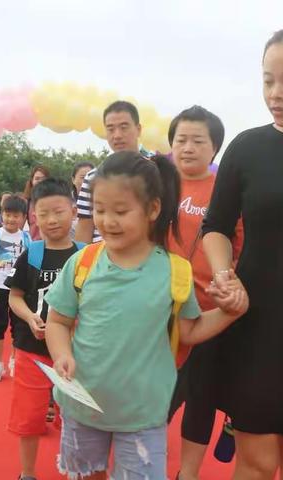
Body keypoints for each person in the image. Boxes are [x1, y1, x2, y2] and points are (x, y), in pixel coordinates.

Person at [44, 152, 249, 480]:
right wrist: (62, 354)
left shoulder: (174, 271)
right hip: (82, 407)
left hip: (144, 415)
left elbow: (190, 331)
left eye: (121, 211)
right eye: (99, 210)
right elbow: (58, 321)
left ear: (153, 209)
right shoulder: (83, 263)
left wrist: (229, 313)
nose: (107, 221)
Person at [202, 30, 283, 480]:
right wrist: (223, 273)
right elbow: (215, 226)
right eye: (268, 80)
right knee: (256, 462)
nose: (275, 94)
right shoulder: (248, 148)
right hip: (258, 325)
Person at [166, 106, 243, 480]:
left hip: (210, 313)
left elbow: (240, 243)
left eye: (199, 141)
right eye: (181, 139)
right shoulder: (156, 186)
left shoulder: (226, 190)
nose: (189, 147)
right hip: (159, 313)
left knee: (200, 400)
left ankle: (188, 474)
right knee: (157, 396)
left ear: (215, 148)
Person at [5, 178, 80, 480]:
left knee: (73, 417)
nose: (51, 220)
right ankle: (27, 473)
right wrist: (30, 318)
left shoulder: (85, 255)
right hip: (31, 350)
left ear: (74, 211)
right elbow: (15, 296)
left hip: (74, 354)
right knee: (29, 416)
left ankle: (72, 468)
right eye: (43, 213)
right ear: (34, 216)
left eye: (59, 212)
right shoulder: (32, 253)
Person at [74, 100, 152, 244]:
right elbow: (85, 226)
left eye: (124, 127)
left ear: (138, 129)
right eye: (110, 129)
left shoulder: (155, 173)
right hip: (103, 260)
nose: (117, 135)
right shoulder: (92, 177)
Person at [0, 195, 30, 382]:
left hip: (18, 289)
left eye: (16, 216)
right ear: (2, 215)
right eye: (7, 214)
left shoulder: (27, 238)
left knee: (18, 326)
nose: (11, 219)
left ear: (24, 217)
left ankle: (14, 360)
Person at [23, 166, 50, 240]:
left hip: (53, 242)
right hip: (34, 243)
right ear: (32, 181)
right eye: (37, 178)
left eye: (43, 179)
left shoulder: (55, 200)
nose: (40, 181)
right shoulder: (26, 202)